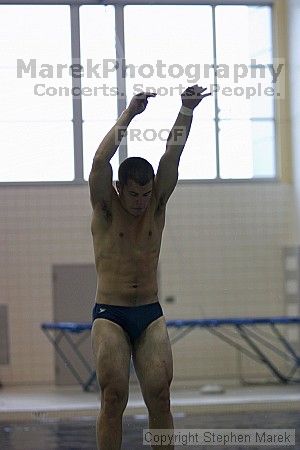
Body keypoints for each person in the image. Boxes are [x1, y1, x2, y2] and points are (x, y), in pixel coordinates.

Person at [89, 85, 211, 450]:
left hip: (149, 313)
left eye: (146, 195)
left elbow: (172, 155)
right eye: (134, 195)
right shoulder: (105, 209)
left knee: (161, 398)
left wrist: (186, 110)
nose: (141, 203)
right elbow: (98, 161)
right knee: (113, 398)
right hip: (110, 314)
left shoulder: (157, 203)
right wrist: (129, 115)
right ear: (118, 189)